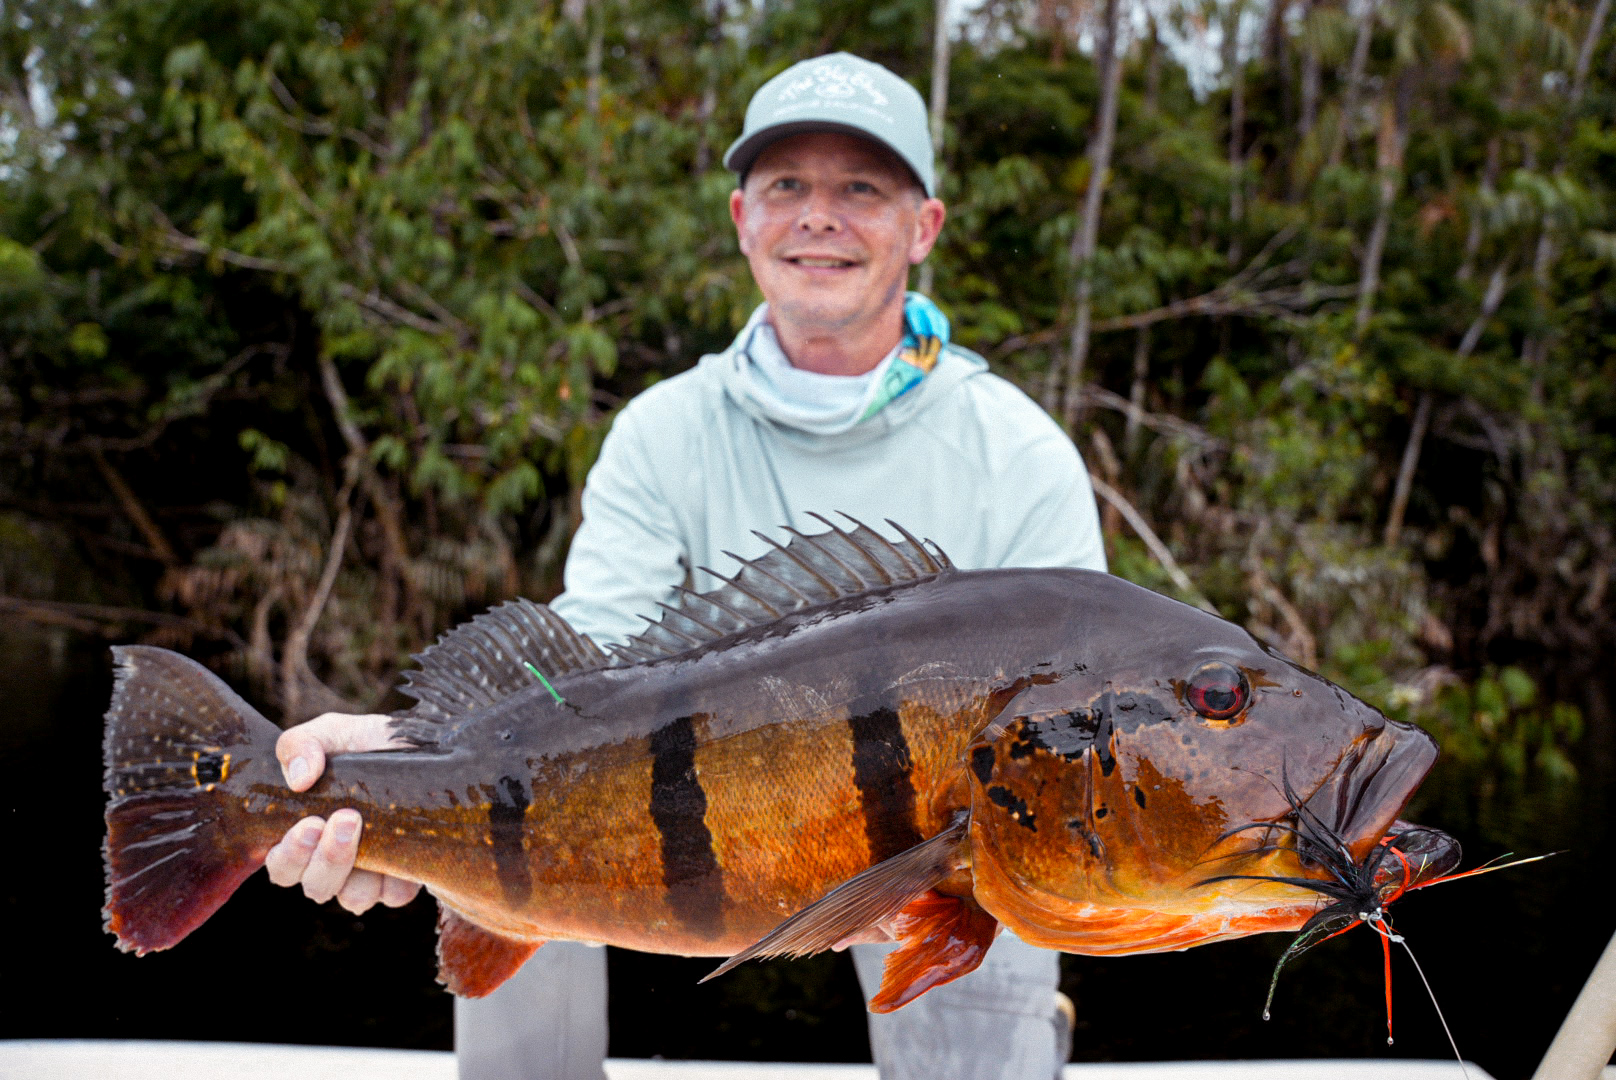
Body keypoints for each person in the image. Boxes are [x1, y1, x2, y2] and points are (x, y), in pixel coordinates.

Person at [264, 52, 1105, 1080]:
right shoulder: (661, 431)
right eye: (786, 185)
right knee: (521, 832)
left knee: (1002, 897)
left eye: (860, 188)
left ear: (923, 226)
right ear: (742, 218)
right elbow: (580, 671)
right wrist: (399, 753)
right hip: (688, 817)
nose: (819, 217)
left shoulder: (1019, 452)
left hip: (932, 840)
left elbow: (1077, 725)